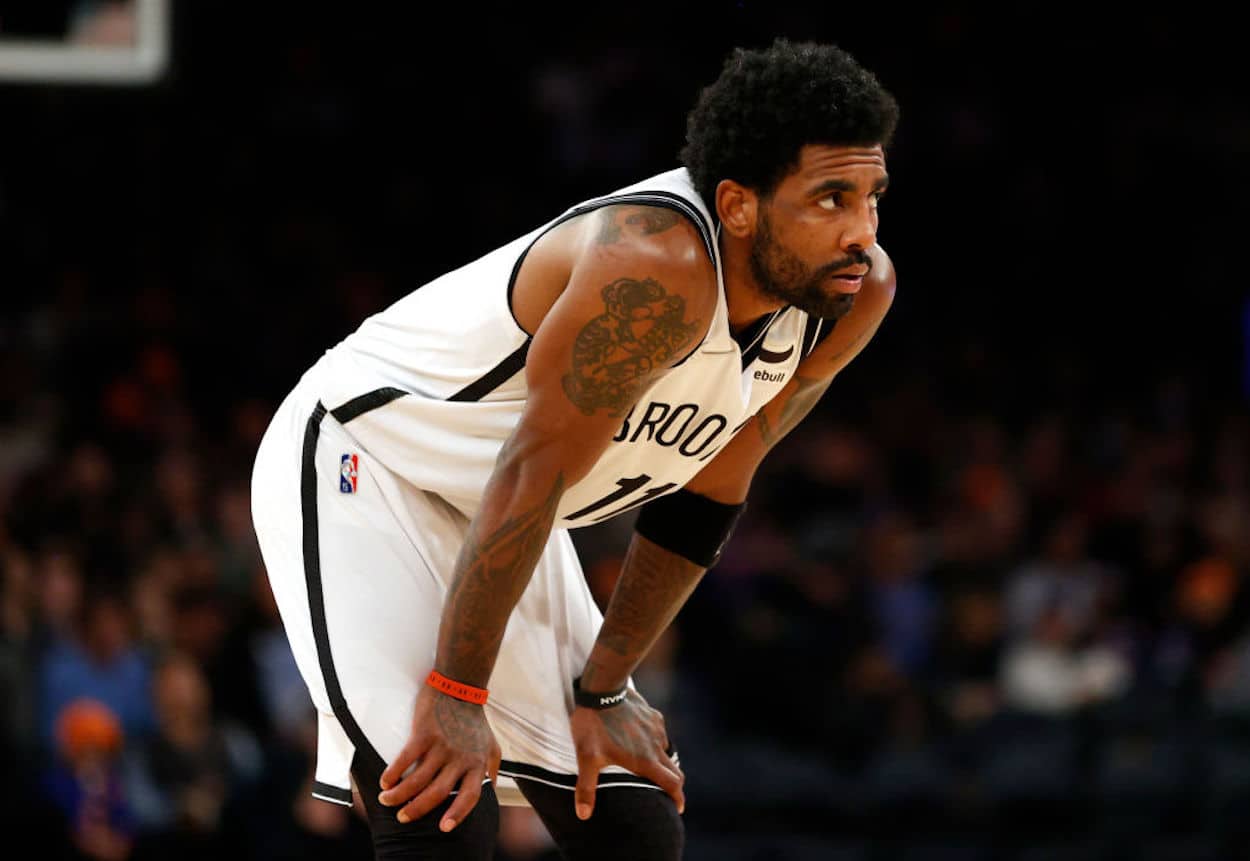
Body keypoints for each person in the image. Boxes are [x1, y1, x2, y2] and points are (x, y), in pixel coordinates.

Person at [250, 37, 900, 860]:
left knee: (630, 818)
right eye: (830, 199)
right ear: (738, 205)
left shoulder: (853, 294)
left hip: (509, 508)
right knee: (441, 802)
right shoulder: (654, 265)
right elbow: (531, 472)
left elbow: (710, 492)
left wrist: (605, 684)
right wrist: (456, 688)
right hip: (367, 459)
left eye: (873, 197)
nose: (861, 232)